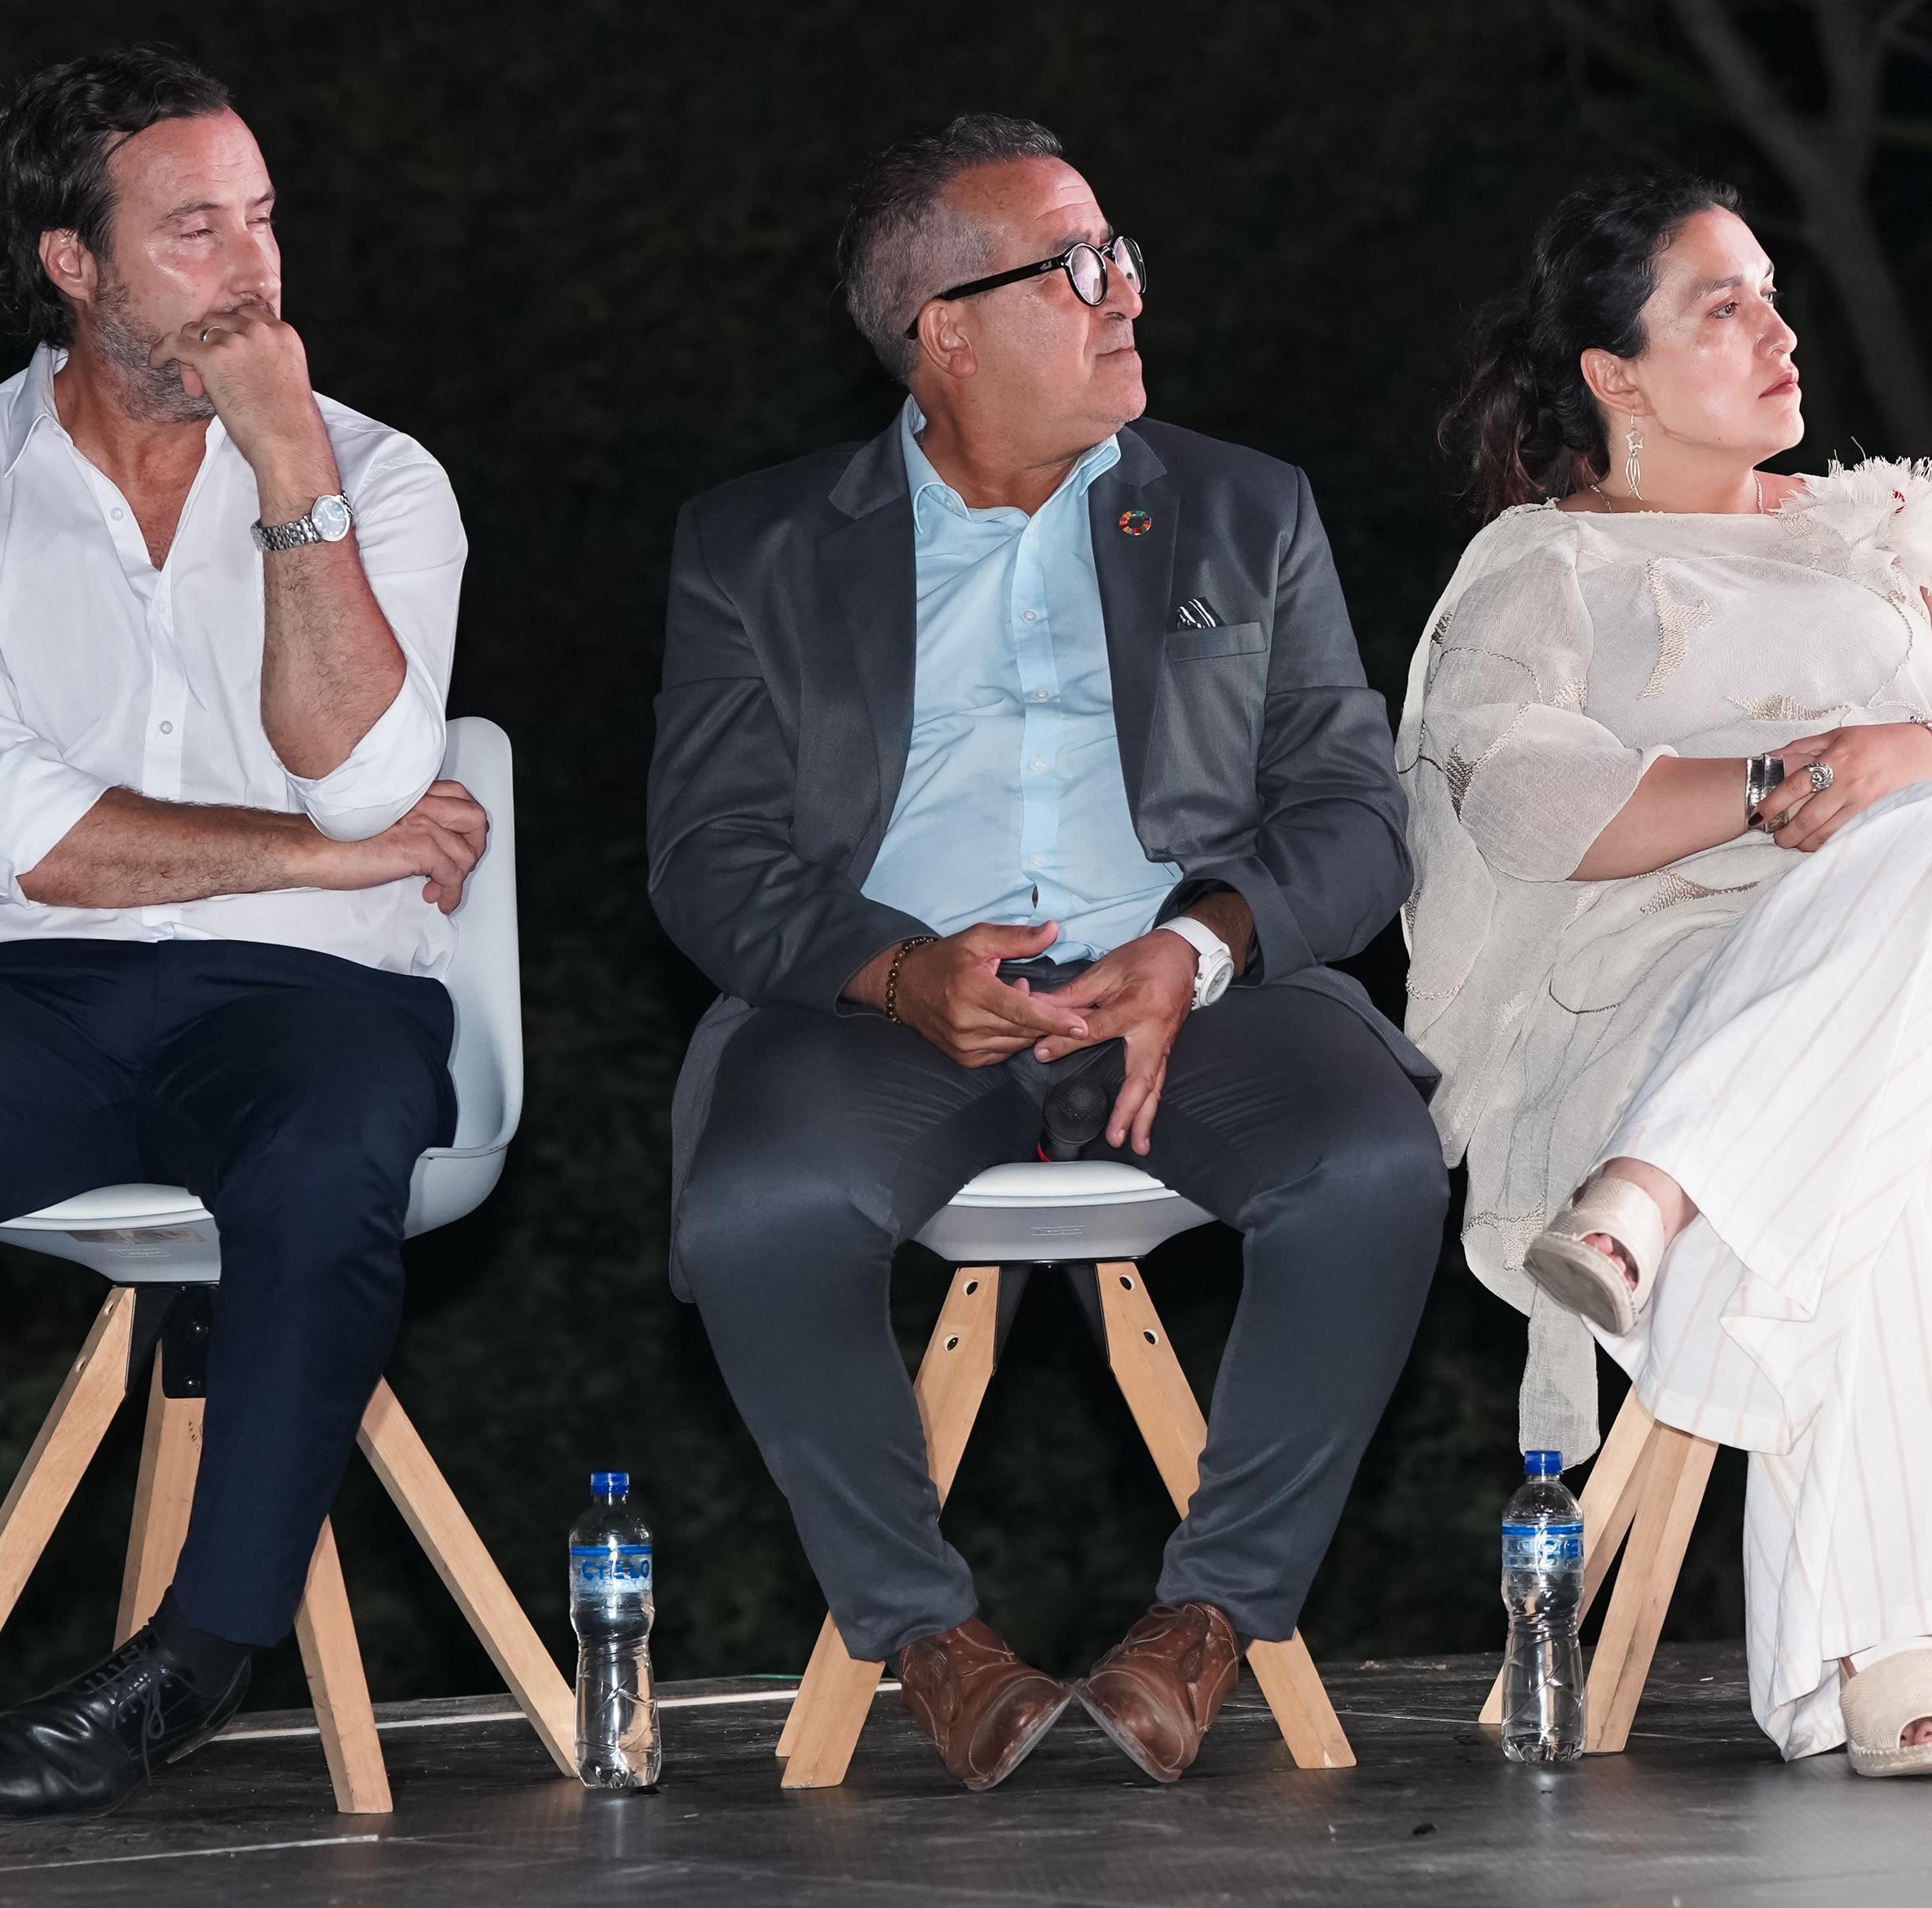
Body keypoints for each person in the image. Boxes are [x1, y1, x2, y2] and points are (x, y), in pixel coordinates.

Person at [0, 46, 483, 1861]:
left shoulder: (380, 477)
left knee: (334, 1133)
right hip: (9, 986)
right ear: (74, 263)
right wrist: (317, 852)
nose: (252, 268)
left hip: (305, 993)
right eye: (194, 229)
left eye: (264, 220)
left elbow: (367, 769)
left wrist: (290, 469)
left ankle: (198, 1658)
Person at [650, 114, 1445, 1793]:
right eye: (1075, 267)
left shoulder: (1242, 510)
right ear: (943, 331)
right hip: (889, 1011)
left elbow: (1355, 817)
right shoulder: (756, 549)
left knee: (1373, 1166)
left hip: (1188, 1001)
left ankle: (1212, 1619)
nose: (1125, 291)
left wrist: (1201, 946)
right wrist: (894, 974)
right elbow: (710, 860)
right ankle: (927, 1636)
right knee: (759, 1207)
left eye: (1120, 253)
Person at [1398, 171, 1932, 1778]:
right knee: (1846, 1150)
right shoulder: (1538, 567)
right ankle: (1883, 1652)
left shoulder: (1892, 525)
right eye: (1725, 306)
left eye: (1775, 294)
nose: (1780, 331)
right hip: (1679, 994)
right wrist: (1781, 786)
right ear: (1615, 376)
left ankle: (1655, 1188)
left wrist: (1902, 760)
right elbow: (1527, 802)